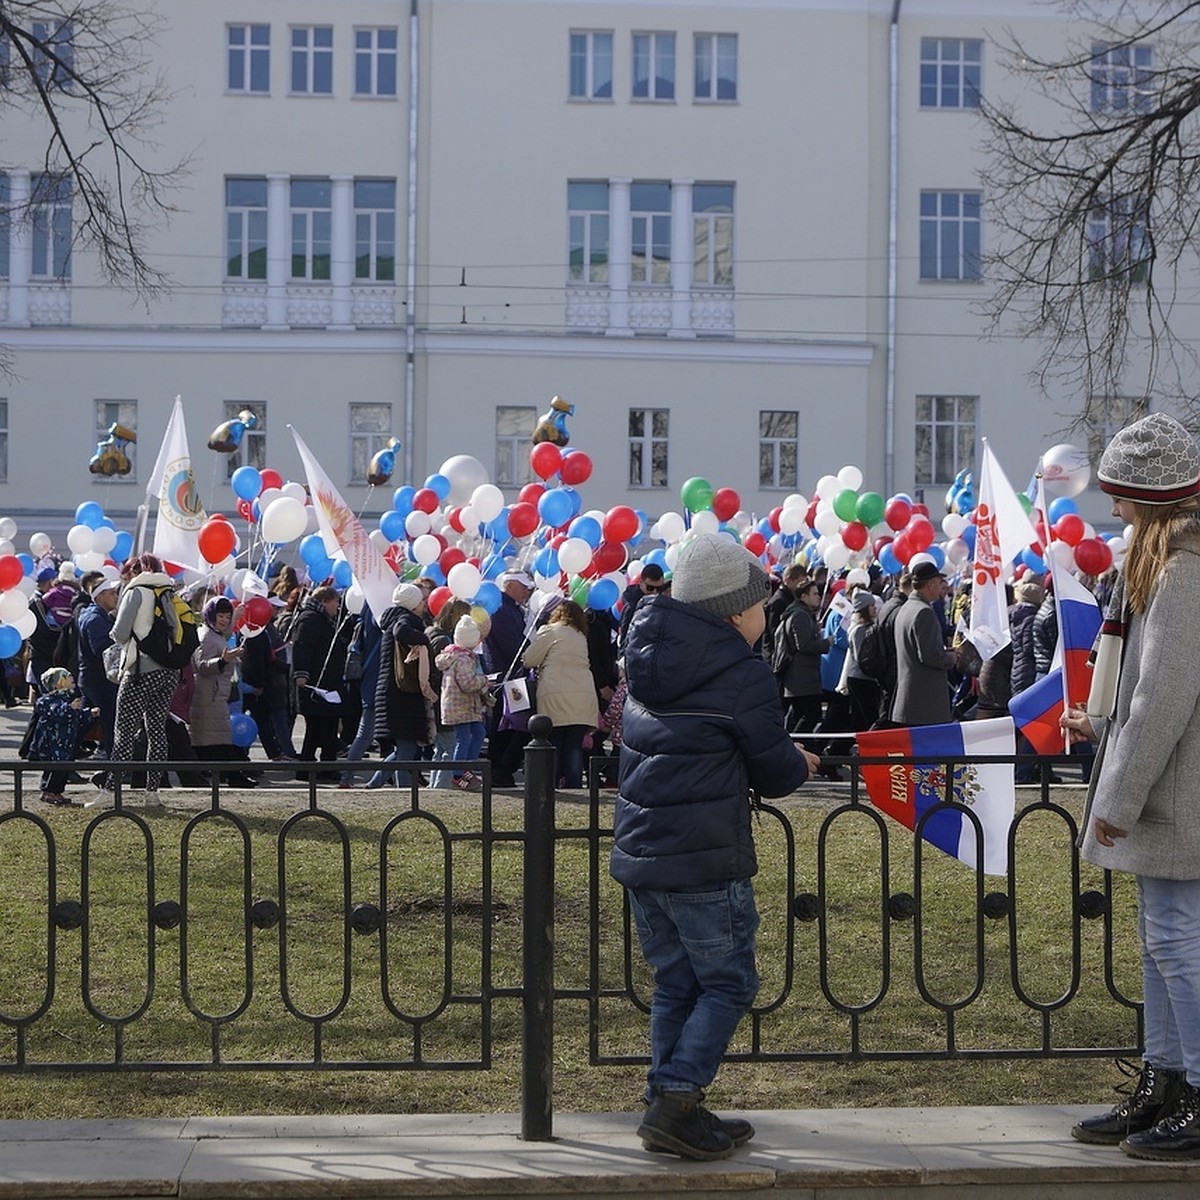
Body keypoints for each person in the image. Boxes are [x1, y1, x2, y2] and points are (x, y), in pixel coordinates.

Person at [610, 532, 818, 1162]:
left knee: (677, 983)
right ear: (735, 613)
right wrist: (800, 763)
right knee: (728, 984)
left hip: (645, 850)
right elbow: (775, 770)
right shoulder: (740, 673)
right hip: (703, 854)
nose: (768, 614)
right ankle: (677, 1098)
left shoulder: (647, 655)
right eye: (762, 605)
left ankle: (670, 1106)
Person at [1063, 412, 1200, 1160]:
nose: (1112, 508)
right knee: (1162, 945)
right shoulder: (1164, 566)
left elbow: (1162, 701)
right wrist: (1100, 723)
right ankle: (1167, 1079)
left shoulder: (1184, 571)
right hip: (1169, 791)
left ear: (1150, 499)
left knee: (1177, 943)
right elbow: (1144, 693)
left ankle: (1193, 1088)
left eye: (1121, 495)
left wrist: (1116, 798)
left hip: (1177, 794)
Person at [88, 553, 179, 805]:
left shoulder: (136, 592)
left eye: (128, 572)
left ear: (136, 571)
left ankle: (110, 791)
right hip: (168, 671)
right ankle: (152, 793)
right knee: (157, 731)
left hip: (140, 671)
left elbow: (118, 633)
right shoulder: (168, 590)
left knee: (124, 732)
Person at [523, 598, 597, 789]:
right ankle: (574, 787)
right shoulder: (580, 635)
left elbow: (529, 659)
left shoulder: (551, 630)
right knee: (574, 747)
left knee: (553, 744)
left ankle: (551, 788)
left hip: (555, 693)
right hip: (583, 695)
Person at [371, 582, 434, 788]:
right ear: (412, 603)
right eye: (421, 600)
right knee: (406, 748)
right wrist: (425, 640)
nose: (425, 604)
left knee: (403, 749)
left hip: (390, 691)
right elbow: (402, 631)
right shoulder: (404, 619)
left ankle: (374, 784)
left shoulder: (391, 618)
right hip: (400, 693)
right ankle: (405, 792)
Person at [190, 596, 254, 786]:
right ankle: (233, 776)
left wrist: (235, 620)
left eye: (228, 616)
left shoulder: (212, 633)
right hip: (210, 696)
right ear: (211, 615)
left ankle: (230, 775)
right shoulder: (207, 637)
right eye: (221, 616)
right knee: (217, 739)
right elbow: (201, 666)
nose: (225, 620)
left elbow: (222, 638)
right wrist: (224, 660)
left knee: (214, 739)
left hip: (214, 694)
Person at [890, 561, 962, 726]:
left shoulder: (907, 607)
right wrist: (951, 657)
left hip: (911, 699)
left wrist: (943, 651)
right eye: (939, 583)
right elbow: (930, 656)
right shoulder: (924, 612)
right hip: (924, 702)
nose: (941, 587)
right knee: (927, 751)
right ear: (931, 585)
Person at [482, 570, 536, 787]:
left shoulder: (509, 608)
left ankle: (499, 769)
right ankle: (501, 769)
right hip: (510, 679)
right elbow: (514, 646)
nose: (526, 591)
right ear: (511, 585)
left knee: (508, 726)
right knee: (516, 726)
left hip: (510, 677)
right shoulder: (502, 610)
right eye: (523, 586)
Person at [290, 585, 350, 776]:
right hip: (316, 683)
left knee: (324, 726)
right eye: (335, 603)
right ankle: (320, 767)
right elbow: (302, 647)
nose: (337, 607)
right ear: (325, 601)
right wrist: (301, 673)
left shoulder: (322, 619)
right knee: (320, 725)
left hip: (326, 681)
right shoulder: (310, 619)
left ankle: (316, 766)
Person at [27, 666, 98, 806]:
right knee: (54, 769)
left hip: (65, 743)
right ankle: (48, 791)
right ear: (58, 683)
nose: (72, 677)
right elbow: (57, 713)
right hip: (52, 744)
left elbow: (75, 717)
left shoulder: (68, 699)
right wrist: (69, 708)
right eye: (67, 676)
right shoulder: (46, 701)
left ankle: (57, 791)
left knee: (64, 770)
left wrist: (89, 713)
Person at [434, 614, 491, 790]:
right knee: (463, 738)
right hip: (461, 706)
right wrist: (485, 681)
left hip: (460, 705)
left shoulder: (454, 655)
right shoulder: (463, 659)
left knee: (478, 732)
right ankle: (458, 774)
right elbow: (467, 683)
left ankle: (466, 767)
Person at [775, 579, 827, 738]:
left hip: (800, 678)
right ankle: (795, 749)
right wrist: (826, 643)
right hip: (802, 678)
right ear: (804, 596)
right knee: (810, 716)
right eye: (815, 594)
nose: (818, 597)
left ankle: (798, 751)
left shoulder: (800, 614)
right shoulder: (799, 615)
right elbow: (804, 646)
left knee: (799, 716)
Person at [76, 577, 120, 760]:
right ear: (100, 596)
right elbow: (101, 649)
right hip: (99, 680)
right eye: (112, 593)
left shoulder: (95, 615)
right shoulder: (95, 619)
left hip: (91, 678)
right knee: (111, 723)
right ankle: (115, 767)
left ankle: (61, 763)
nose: (116, 597)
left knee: (81, 724)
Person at [844, 588, 881, 731]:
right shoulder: (859, 630)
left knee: (859, 719)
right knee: (867, 716)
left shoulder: (867, 627)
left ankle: (838, 747)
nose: (875, 608)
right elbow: (862, 657)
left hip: (862, 678)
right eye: (871, 606)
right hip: (861, 678)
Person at [617, 562, 666, 652]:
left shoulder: (663, 601)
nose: (654, 592)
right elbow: (624, 639)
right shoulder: (632, 606)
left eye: (659, 588)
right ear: (640, 583)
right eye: (650, 588)